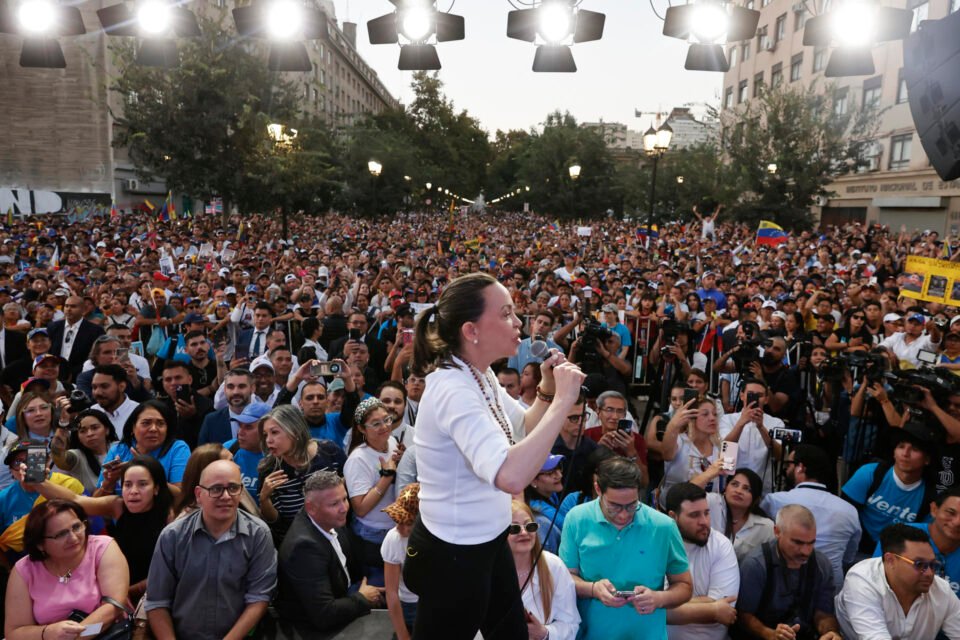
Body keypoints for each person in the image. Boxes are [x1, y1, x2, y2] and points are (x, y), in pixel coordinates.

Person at [403, 272, 585, 639]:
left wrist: (548, 389)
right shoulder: (453, 389)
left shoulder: (479, 374)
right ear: (471, 331)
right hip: (455, 557)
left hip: (489, 538)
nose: (518, 323)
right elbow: (510, 476)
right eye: (505, 314)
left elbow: (523, 427)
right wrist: (565, 401)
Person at [559, 457, 693, 640]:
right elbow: (565, 578)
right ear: (598, 489)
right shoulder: (576, 519)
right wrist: (593, 589)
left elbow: (684, 586)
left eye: (632, 506)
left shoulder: (663, 526)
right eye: (614, 506)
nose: (623, 515)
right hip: (591, 634)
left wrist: (658, 599)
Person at [145, 460, 277, 640]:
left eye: (233, 488)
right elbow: (157, 602)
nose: (226, 496)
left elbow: (258, 598)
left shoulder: (258, 534)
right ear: (199, 494)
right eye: (216, 489)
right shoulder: (173, 536)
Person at [29, 455, 174, 602]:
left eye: (142, 484)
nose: (133, 491)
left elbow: (167, 573)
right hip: (115, 590)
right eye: (128, 484)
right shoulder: (118, 506)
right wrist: (35, 476)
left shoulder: (170, 518)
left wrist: (123, 594)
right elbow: (75, 500)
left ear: (156, 489)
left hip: (155, 595)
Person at [4, 500, 130, 640]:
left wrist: (78, 635)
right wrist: (46, 633)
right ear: (40, 544)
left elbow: (113, 608)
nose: (73, 537)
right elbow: (14, 632)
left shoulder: (102, 547)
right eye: (61, 534)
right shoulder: (24, 570)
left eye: (76, 527)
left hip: (106, 633)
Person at [275, 470, 382, 635]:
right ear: (311, 508)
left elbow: (358, 552)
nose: (344, 508)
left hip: (346, 592)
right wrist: (362, 597)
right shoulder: (303, 548)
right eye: (334, 504)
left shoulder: (329, 519)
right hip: (315, 629)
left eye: (345, 499)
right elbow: (324, 614)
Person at [761, 444, 861, 593]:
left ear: (800, 467)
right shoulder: (850, 511)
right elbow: (848, 558)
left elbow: (762, 539)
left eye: (789, 464)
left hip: (784, 584)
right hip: (830, 586)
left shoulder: (775, 501)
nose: (786, 469)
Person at [734, 505, 841, 640]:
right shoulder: (755, 565)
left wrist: (830, 633)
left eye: (811, 543)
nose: (805, 551)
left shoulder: (822, 564)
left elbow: (823, 613)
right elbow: (743, 615)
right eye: (798, 543)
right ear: (777, 532)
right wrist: (770, 634)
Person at [836, 523, 960, 639]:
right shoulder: (862, 580)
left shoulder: (941, 589)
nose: (929, 573)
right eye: (919, 564)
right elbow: (876, 637)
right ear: (890, 560)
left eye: (933, 565)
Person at [841, 420, 938, 553]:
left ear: (927, 459)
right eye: (901, 446)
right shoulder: (869, 473)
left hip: (896, 556)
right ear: (893, 452)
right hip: (854, 547)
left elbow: (923, 537)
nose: (905, 453)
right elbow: (843, 515)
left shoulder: (930, 496)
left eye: (915, 449)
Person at [257, 404, 346, 546]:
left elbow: (348, 494)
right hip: (297, 545)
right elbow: (276, 523)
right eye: (265, 434)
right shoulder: (268, 470)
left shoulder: (330, 452)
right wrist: (264, 499)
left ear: (295, 431)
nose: (268, 440)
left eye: (274, 432)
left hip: (337, 537)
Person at [663, 483, 740, 640]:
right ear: (673, 517)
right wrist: (712, 608)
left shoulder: (721, 545)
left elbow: (726, 609)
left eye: (706, 513)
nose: (704, 521)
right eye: (694, 515)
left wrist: (666, 602)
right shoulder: (658, 544)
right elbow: (652, 609)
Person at [344, 397, 404, 585]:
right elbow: (360, 508)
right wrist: (386, 477)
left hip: (394, 527)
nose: (385, 426)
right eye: (376, 424)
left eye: (386, 419)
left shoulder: (392, 441)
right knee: (381, 587)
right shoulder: (358, 459)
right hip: (372, 534)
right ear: (362, 429)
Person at [508, 500, 581, 640]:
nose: (524, 532)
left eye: (530, 526)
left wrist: (545, 633)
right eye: (514, 528)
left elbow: (571, 624)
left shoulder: (553, 565)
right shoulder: (488, 570)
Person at [871, 487, 960, 597]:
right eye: (951, 513)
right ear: (934, 510)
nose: (957, 522)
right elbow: (874, 582)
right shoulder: (899, 535)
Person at [99, 400, 190, 490]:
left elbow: (180, 495)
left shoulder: (177, 449)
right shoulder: (118, 450)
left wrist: (147, 469)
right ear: (133, 427)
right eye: (146, 423)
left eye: (160, 423)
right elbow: (96, 497)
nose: (153, 429)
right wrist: (109, 482)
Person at [718, 380, 784, 494]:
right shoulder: (727, 419)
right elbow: (725, 450)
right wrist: (741, 423)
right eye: (750, 394)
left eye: (759, 395)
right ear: (742, 396)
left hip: (762, 487)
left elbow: (779, 455)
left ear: (766, 399)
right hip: (731, 485)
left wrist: (761, 427)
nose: (755, 398)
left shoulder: (776, 422)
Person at [699, 467, 775, 563]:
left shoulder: (766, 527)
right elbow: (684, 496)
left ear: (756, 499)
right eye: (734, 484)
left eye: (746, 489)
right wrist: (709, 474)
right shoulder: (713, 502)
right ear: (726, 487)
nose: (738, 491)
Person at [660, 397, 724, 499]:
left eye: (715, 414)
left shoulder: (718, 445)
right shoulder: (680, 441)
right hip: (677, 505)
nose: (712, 418)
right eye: (705, 414)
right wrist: (673, 424)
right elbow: (666, 455)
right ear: (691, 417)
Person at [382, 483, 421, 640]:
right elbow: (391, 592)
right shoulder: (393, 539)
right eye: (397, 519)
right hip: (409, 605)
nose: (399, 527)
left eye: (408, 523)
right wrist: (403, 635)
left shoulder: (439, 538)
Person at [49, 409, 118, 493]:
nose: (89, 434)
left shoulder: (122, 448)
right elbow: (57, 455)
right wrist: (62, 425)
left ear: (107, 430)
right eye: (82, 431)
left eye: (95, 428)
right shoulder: (77, 457)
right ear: (78, 436)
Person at [550, 391, 598, 498]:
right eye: (574, 418)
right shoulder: (548, 450)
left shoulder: (592, 448)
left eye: (583, 416)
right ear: (559, 417)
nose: (581, 422)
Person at [48, 295, 105, 381]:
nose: (68, 309)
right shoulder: (53, 327)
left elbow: (95, 355)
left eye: (73, 306)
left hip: (81, 375)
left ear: (83, 310)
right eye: (66, 306)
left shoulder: (95, 330)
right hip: (54, 374)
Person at [198, 368, 254, 445]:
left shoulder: (263, 418)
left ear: (252, 388)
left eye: (241, 386)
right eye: (230, 387)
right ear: (224, 389)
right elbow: (202, 451)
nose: (235, 392)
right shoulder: (211, 421)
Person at [88, 364, 142, 439]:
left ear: (121, 387)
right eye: (94, 387)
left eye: (104, 386)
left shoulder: (139, 412)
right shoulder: (91, 412)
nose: (98, 392)